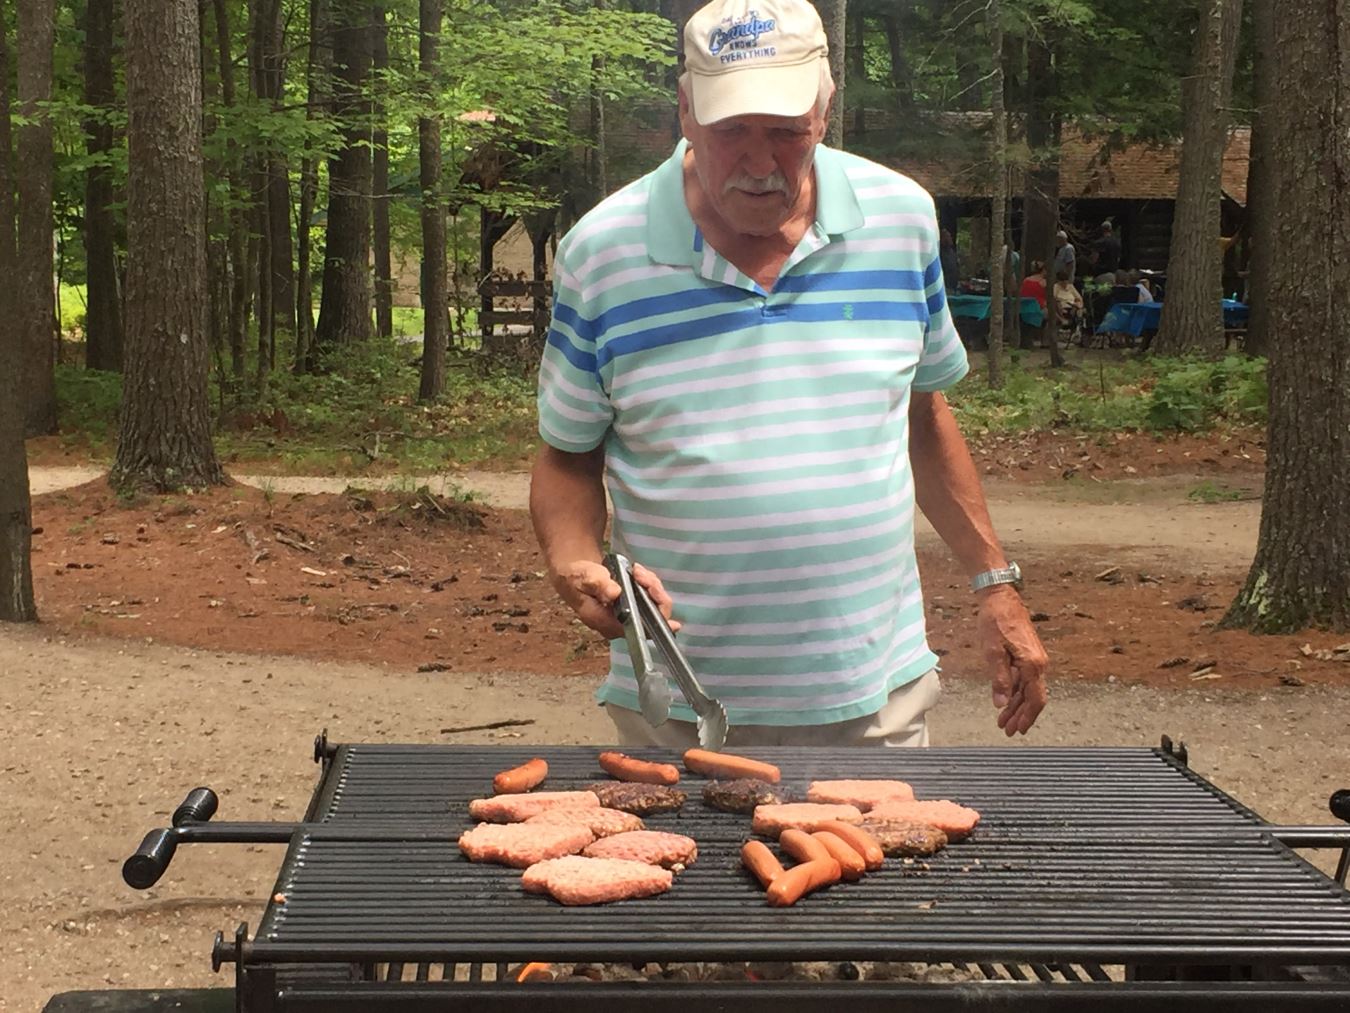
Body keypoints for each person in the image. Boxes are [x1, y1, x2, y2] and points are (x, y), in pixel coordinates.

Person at [530, 0, 1048, 749]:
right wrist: (575, 561)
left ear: (825, 112)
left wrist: (995, 585)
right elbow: (567, 455)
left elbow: (922, 418)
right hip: (675, 711)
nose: (760, 163)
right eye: (731, 130)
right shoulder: (602, 253)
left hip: (877, 701)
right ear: (684, 109)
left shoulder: (901, 221)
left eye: (785, 132)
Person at [939, 228, 960, 292]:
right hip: (944, 286)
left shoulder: (951, 252)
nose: (950, 238)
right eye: (947, 236)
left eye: (949, 236)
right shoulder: (939, 252)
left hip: (953, 285)